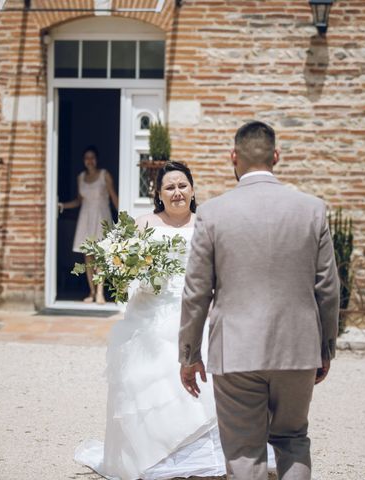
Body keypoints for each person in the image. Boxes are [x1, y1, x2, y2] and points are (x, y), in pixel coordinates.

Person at [74, 162, 274, 479]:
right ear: (159, 194)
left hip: (198, 310)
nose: (177, 192)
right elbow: (119, 272)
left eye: (182, 185)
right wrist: (131, 276)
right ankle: (158, 458)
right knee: (147, 376)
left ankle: (211, 456)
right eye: (170, 187)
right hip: (151, 310)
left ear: (193, 190)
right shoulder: (143, 224)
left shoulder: (208, 224)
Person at [179, 121, 340, 480]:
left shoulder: (213, 213)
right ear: (276, 156)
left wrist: (189, 354)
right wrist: (326, 347)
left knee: (243, 449)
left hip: (236, 349)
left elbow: (196, 291)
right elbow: (328, 287)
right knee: (293, 438)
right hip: (297, 348)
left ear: (233, 157)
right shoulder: (312, 209)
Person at [59, 146, 118, 304]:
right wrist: (63, 205)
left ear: (97, 159)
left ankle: (100, 293)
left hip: (101, 217)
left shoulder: (104, 175)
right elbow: (79, 201)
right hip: (85, 218)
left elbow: (113, 197)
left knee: (100, 257)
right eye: (86, 157)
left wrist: (125, 215)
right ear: (84, 161)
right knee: (88, 258)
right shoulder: (80, 177)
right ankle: (91, 291)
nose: (89, 160)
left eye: (92, 157)